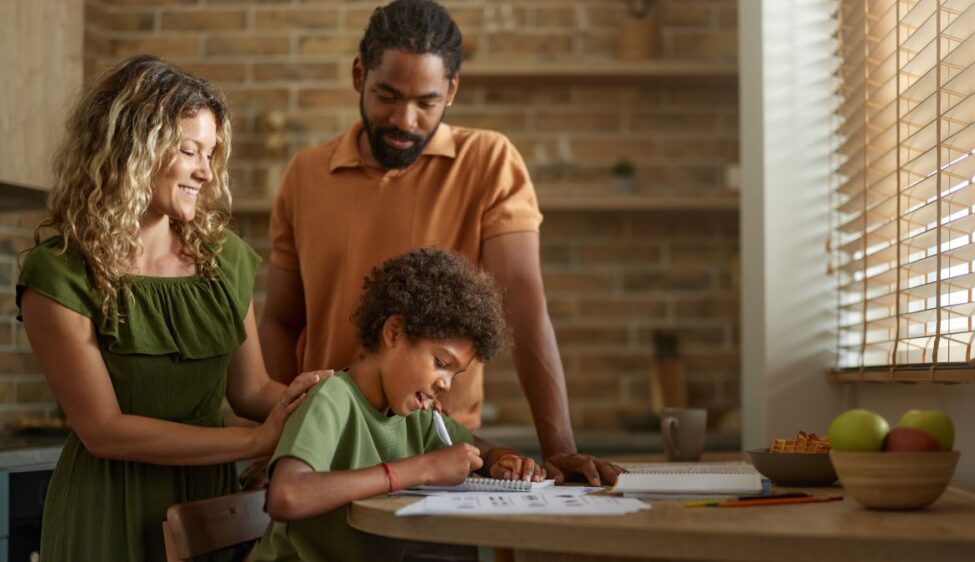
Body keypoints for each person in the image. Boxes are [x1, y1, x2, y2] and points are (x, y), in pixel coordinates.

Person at [259, 0, 622, 486]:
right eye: (387, 95)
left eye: (426, 102)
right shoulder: (306, 174)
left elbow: (525, 310)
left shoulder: (489, 162)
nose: (405, 120)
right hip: (323, 457)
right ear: (358, 75)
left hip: (439, 458)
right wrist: (276, 443)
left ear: (451, 91)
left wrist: (560, 450)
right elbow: (282, 322)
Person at [16, 55, 330, 562]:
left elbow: (251, 391)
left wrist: (328, 403)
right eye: (191, 151)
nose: (207, 172)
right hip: (108, 510)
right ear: (133, 151)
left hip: (210, 505)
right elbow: (104, 431)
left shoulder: (223, 261)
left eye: (212, 154)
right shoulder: (60, 275)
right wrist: (254, 443)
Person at [252, 248, 547, 562]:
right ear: (394, 332)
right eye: (440, 362)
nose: (446, 384)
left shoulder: (414, 415)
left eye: (455, 373)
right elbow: (286, 496)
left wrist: (502, 458)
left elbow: (478, 451)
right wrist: (420, 469)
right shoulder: (331, 398)